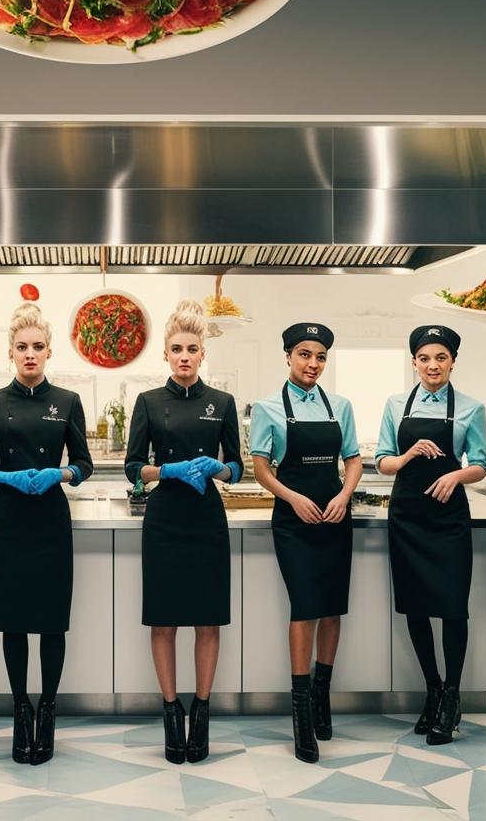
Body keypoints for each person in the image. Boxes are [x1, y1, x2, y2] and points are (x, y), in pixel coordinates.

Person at [0, 303, 94, 765]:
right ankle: (21, 709)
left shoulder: (68, 401)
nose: (30, 354)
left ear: (49, 351)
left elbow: (85, 464)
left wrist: (61, 476)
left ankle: (49, 710)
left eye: (38, 347)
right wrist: (3, 478)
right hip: (8, 523)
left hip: (51, 523)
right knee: (15, 621)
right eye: (22, 347)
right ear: (11, 353)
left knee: (52, 622)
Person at [124, 300, 243, 765]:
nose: (185, 356)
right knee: (164, 619)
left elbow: (236, 468)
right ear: (166, 355)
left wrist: (220, 466)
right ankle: (171, 711)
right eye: (176, 349)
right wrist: (166, 470)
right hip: (165, 521)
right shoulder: (149, 402)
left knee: (208, 618)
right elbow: (133, 468)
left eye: (192, 348)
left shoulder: (224, 402)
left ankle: (202, 711)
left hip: (207, 520)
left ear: (203, 353)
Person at [250, 322, 361, 764]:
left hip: (334, 516)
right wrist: (294, 498)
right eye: (304, 354)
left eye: (320, 357)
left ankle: (322, 697)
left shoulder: (341, 406)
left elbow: (352, 460)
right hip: (294, 521)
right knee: (305, 606)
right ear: (288, 356)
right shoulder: (268, 407)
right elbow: (260, 470)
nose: (312, 363)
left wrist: (343, 496)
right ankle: (300, 716)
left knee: (333, 606)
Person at [375, 325, 486, 746]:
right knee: (416, 607)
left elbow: (481, 462)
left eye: (440, 357)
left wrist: (456, 476)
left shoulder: (471, 408)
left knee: (453, 607)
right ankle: (433, 690)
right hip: (407, 516)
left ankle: (453, 695)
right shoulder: (395, 404)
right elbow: (383, 461)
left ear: (453, 362)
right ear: (414, 363)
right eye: (424, 358)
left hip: (448, 519)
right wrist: (407, 455)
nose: (432, 365)